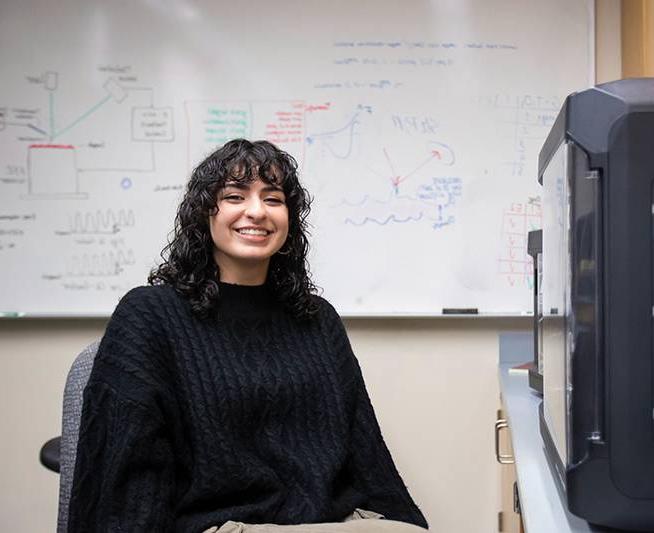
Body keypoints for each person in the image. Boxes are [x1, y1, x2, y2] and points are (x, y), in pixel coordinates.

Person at [67, 139, 428, 532]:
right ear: (205, 212)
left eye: (273, 199)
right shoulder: (151, 315)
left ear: (290, 219)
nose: (256, 211)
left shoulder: (317, 318)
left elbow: (365, 448)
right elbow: (130, 469)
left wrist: (407, 522)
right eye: (235, 196)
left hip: (329, 520)